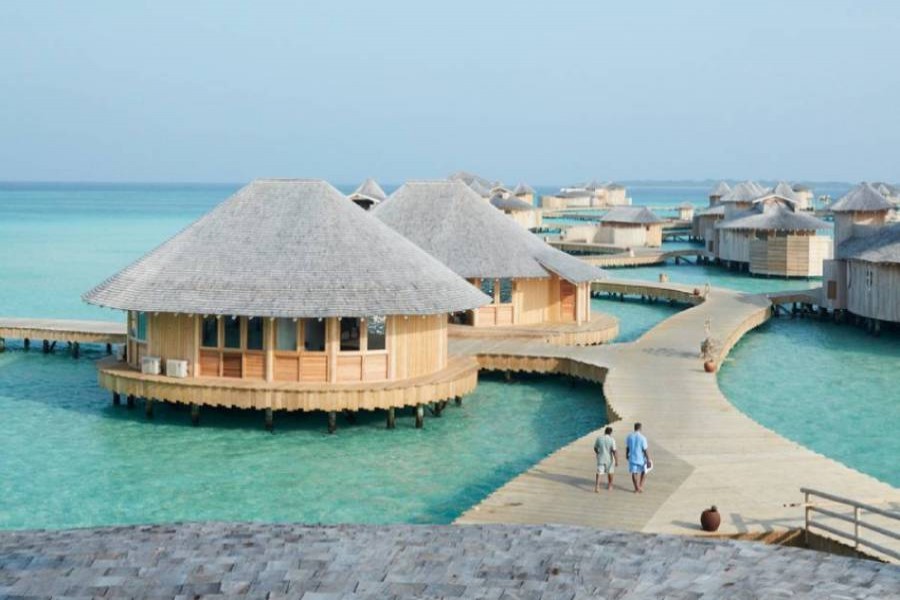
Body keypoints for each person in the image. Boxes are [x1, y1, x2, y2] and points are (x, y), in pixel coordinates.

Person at [625, 422, 652, 493]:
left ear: (634, 428)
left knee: (634, 473)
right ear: (640, 428)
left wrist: (626, 455)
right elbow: (645, 450)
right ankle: (640, 486)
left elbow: (627, 447)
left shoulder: (629, 436)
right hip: (641, 458)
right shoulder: (643, 438)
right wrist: (648, 459)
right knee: (644, 471)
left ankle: (636, 488)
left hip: (632, 457)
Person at [593, 427, 618, 492]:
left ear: (605, 431)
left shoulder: (599, 438)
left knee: (599, 472)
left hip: (601, 458)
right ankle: (610, 486)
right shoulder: (612, 440)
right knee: (610, 472)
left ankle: (597, 486)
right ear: (611, 432)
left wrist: (598, 453)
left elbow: (595, 448)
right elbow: (614, 451)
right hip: (609, 459)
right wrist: (616, 460)